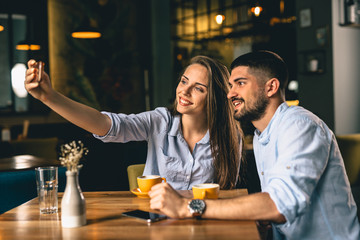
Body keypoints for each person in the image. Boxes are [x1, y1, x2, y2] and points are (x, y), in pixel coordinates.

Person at [148, 51, 360, 239]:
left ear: (271, 87)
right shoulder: (261, 135)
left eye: (240, 83)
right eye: (231, 86)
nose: (230, 93)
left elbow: (279, 205)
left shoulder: (300, 125)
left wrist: (188, 206)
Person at [25, 55, 243, 190]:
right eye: (184, 81)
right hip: (158, 224)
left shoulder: (229, 136)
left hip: (205, 225)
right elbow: (106, 124)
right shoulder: (160, 122)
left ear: (213, 97)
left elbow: (227, 194)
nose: (183, 91)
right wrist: (49, 97)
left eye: (198, 88)